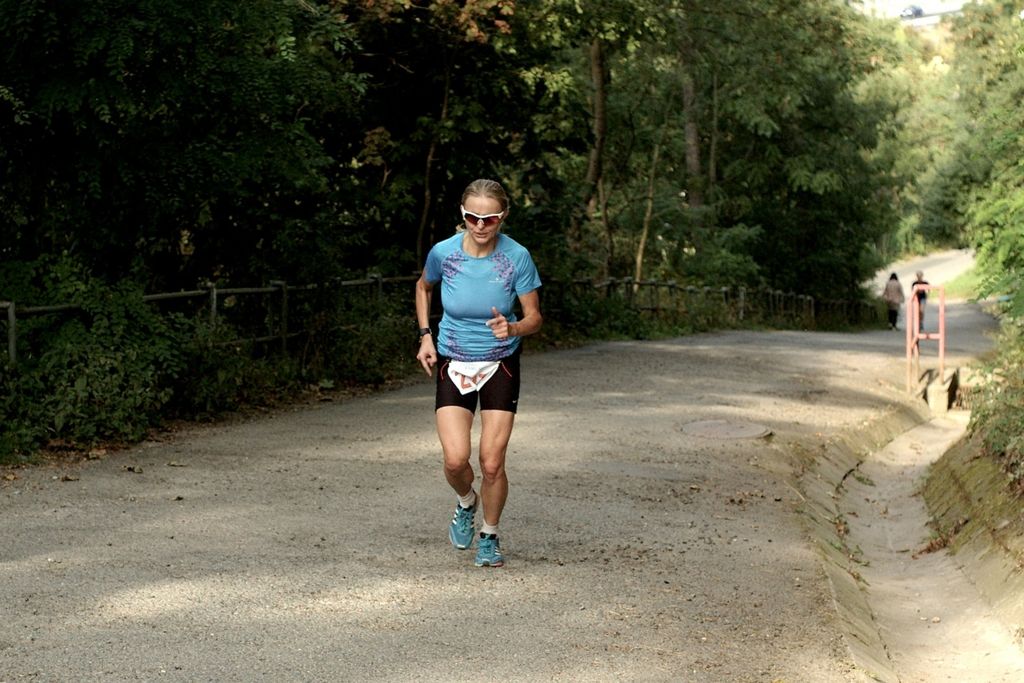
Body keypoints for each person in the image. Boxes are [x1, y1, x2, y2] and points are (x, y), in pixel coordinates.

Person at [415, 179, 543, 568]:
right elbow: (423, 287)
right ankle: (466, 501)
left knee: (491, 462)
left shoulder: (517, 257)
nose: (481, 225)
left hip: (500, 362)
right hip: (453, 360)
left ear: (503, 217)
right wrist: (425, 336)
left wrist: (513, 328)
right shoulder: (444, 253)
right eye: (473, 217)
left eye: (490, 218)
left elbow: (535, 318)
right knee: (456, 461)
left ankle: (489, 535)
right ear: (463, 214)